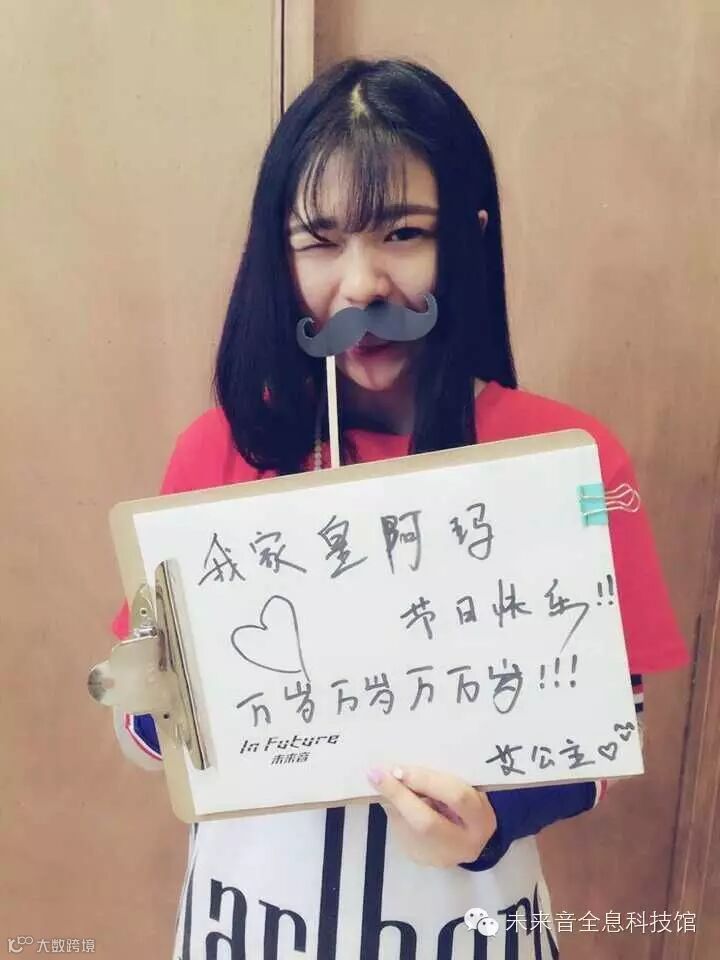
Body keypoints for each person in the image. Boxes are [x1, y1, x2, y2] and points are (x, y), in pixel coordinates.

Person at [110, 58, 689, 959]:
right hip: (249, 924)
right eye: (319, 241)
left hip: (466, 927)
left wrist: (493, 821)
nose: (363, 286)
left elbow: (611, 719)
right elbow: (143, 730)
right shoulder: (220, 452)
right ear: (277, 258)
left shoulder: (562, 461)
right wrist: (158, 701)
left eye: (404, 233)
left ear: (469, 238)